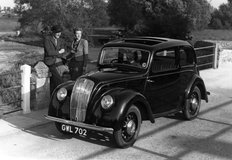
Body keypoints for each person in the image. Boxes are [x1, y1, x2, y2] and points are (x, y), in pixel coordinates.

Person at [43, 25, 69, 93]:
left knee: (64, 76)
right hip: (50, 61)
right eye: (57, 32)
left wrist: (58, 53)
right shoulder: (47, 39)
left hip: (58, 60)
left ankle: (54, 93)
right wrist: (59, 52)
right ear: (53, 32)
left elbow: (63, 52)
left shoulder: (60, 40)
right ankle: (62, 93)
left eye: (60, 32)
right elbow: (49, 52)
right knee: (58, 79)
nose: (59, 34)